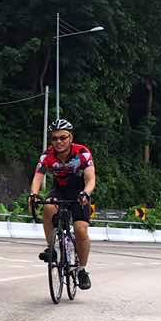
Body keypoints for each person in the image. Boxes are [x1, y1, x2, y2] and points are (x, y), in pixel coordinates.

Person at [29, 118, 95, 290]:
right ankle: (51, 247)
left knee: (80, 230)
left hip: (79, 192)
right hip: (59, 190)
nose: (59, 142)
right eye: (55, 138)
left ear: (70, 137)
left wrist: (86, 193)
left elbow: (90, 179)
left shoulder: (82, 152)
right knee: (48, 206)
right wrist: (33, 194)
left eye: (63, 137)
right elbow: (38, 177)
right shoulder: (47, 155)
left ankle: (82, 270)